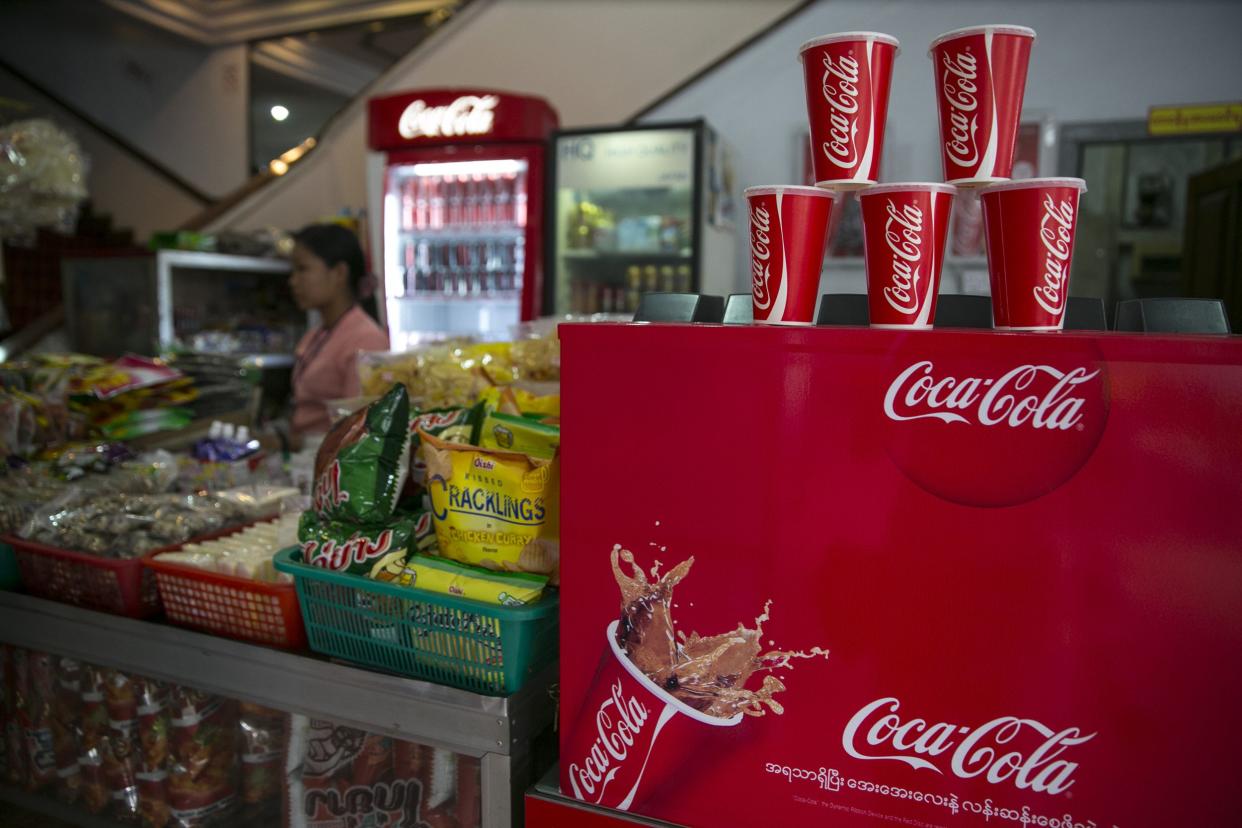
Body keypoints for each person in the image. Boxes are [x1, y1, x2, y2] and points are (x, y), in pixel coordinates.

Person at [287, 223, 389, 438]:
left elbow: (357, 430)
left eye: (302, 269)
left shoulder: (366, 340)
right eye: (293, 271)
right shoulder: (316, 335)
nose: (293, 281)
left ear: (339, 273)